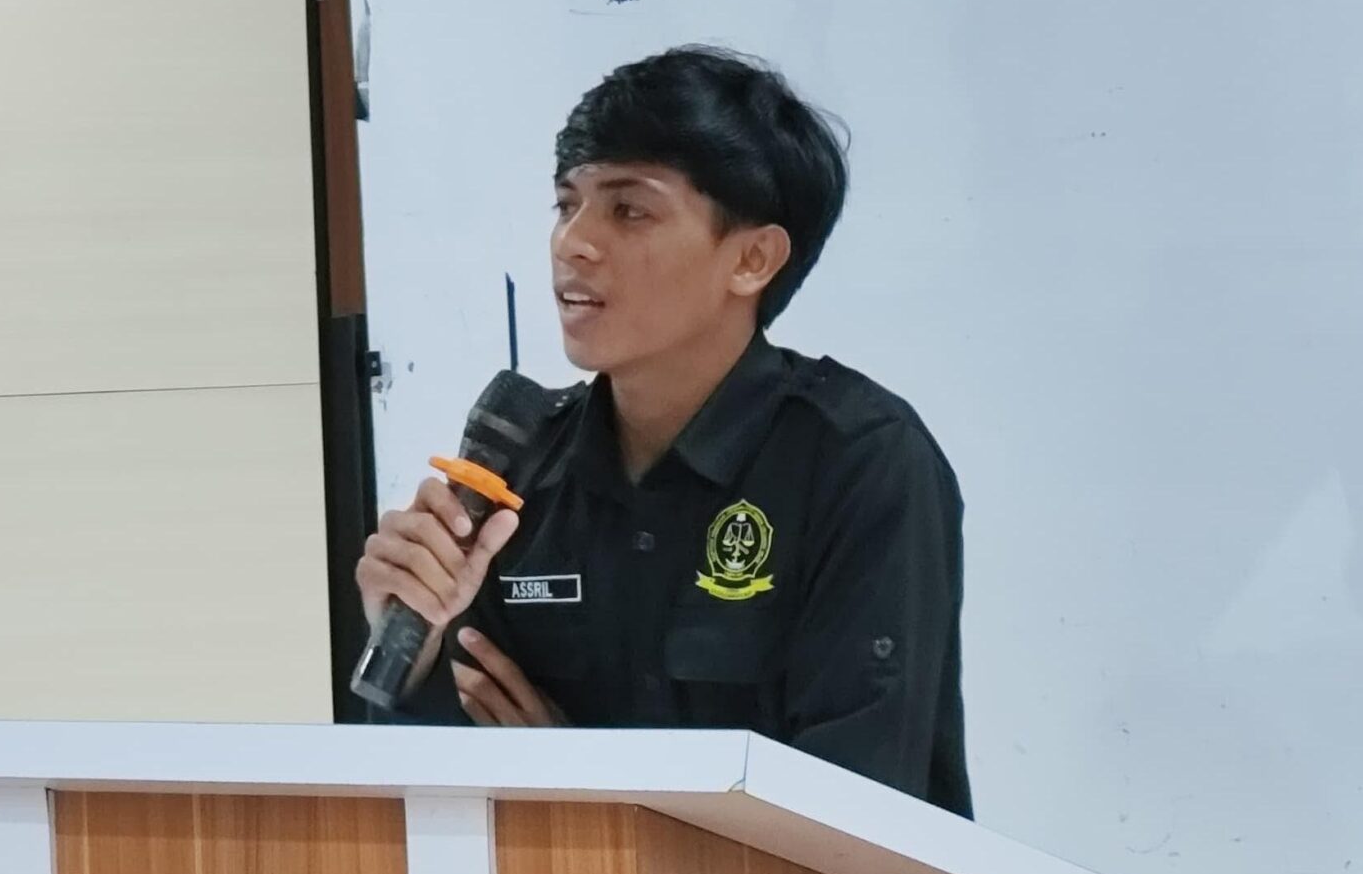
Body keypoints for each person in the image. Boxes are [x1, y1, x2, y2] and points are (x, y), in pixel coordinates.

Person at [356, 46, 972, 816]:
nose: (572, 242)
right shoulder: (524, 466)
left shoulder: (859, 461)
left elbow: (857, 815)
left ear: (752, 258)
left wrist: (591, 786)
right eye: (566, 204)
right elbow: (460, 799)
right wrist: (411, 660)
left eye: (629, 211)